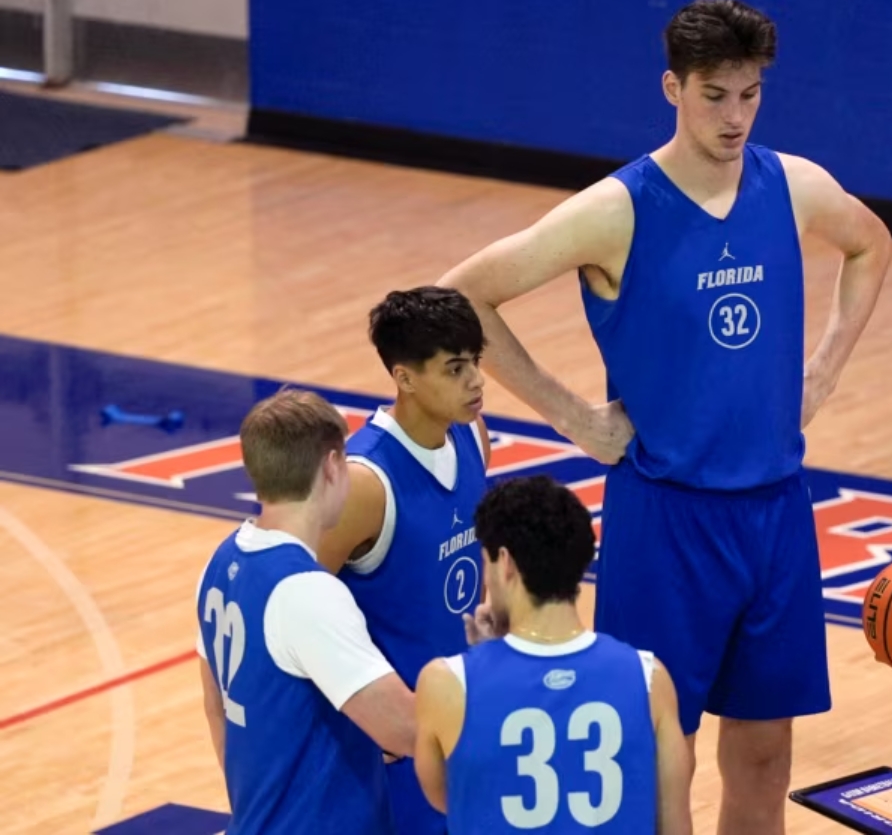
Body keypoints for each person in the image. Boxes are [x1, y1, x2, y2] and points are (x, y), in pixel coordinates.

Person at [436, 0, 892, 834]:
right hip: (667, 517)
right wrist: (573, 417)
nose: (736, 115)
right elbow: (463, 294)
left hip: (777, 511)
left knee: (762, 755)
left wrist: (823, 369)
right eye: (715, 94)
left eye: (750, 94)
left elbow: (870, 243)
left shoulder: (791, 184)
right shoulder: (618, 208)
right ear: (671, 89)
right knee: (656, 754)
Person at [414, 476, 693, 834]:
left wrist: (488, 660)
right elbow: (676, 827)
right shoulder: (650, 678)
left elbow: (453, 797)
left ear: (505, 563)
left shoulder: (446, 683)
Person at [194, 388, 416, 834]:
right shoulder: (307, 592)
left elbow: (217, 707)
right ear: (333, 466)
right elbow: (406, 731)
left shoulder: (218, 563)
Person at [315, 286, 492, 835]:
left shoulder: (472, 437)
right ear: (405, 377)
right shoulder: (366, 483)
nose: (477, 382)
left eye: (476, 363)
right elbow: (297, 610)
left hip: (464, 722)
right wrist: (370, 718)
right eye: (456, 368)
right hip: (391, 752)